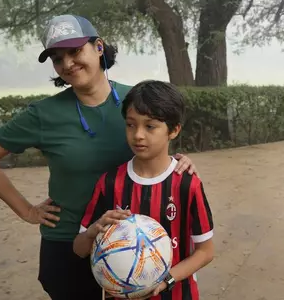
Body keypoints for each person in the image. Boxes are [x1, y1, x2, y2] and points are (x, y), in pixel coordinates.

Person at [0, 15, 198, 300]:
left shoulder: (136, 101)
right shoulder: (42, 114)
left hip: (135, 244)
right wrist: (27, 211)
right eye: (57, 58)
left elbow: (157, 145)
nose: (67, 64)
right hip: (69, 243)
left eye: (75, 51)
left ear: (98, 47)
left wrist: (179, 161)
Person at [74, 80, 214, 300]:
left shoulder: (187, 184)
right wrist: (93, 231)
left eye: (150, 126)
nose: (138, 134)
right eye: (131, 124)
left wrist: (168, 278)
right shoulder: (110, 183)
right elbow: (79, 249)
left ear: (174, 130)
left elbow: (206, 251)